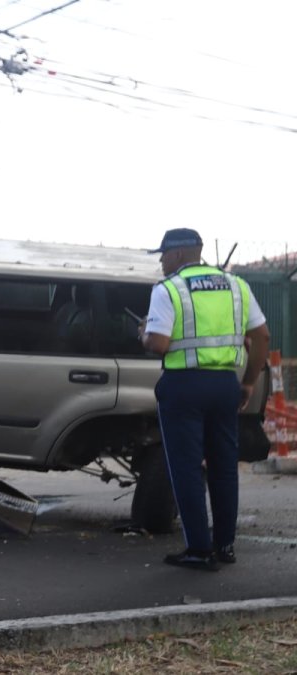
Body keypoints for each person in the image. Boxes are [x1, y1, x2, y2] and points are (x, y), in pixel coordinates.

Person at [140, 227, 270, 571]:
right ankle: (224, 545)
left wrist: (143, 333)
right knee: (224, 467)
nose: (162, 262)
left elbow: (159, 344)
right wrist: (248, 383)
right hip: (226, 385)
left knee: (185, 468)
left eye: (163, 255)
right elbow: (262, 335)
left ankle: (199, 550)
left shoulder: (169, 288)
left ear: (180, 254)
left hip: (183, 387)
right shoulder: (237, 285)